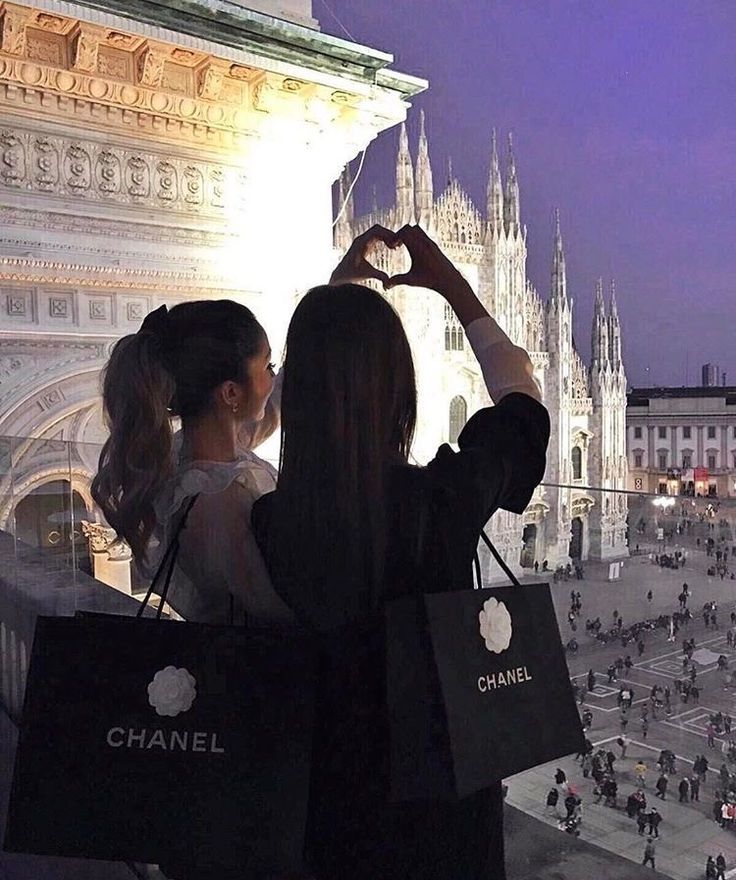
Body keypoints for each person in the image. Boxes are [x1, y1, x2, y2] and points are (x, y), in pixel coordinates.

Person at [251, 224, 549, 880]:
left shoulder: (271, 520)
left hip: (329, 814)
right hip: (441, 811)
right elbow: (524, 402)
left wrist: (333, 302)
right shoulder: (441, 501)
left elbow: (254, 420)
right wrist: (452, 285)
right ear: (400, 390)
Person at [92, 299, 293, 627]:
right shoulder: (219, 502)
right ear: (230, 393)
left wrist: (337, 288)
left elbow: (271, 410)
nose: (272, 380)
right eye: (268, 366)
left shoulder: (188, 460)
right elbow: (278, 613)